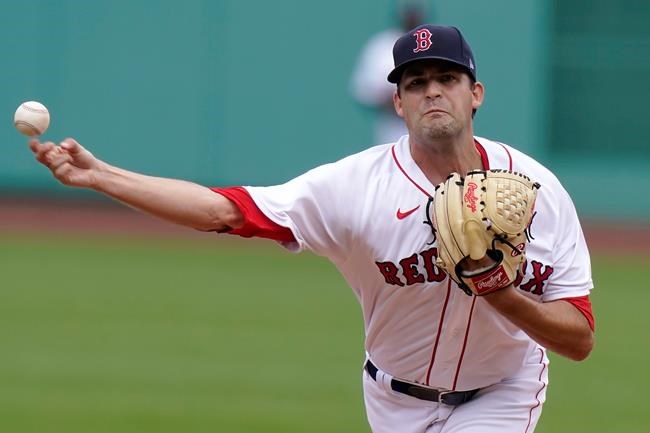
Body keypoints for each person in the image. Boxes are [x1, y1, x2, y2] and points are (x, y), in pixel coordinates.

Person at [29, 24, 594, 433]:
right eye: (415, 82)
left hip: (503, 391)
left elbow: (579, 338)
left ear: (476, 94)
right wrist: (103, 177)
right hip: (393, 398)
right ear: (397, 103)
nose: (432, 91)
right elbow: (227, 211)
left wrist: (502, 294)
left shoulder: (537, 192)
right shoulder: (354, 188)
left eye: (447, 77)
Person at [350, 4, 424, 144]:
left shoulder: (436, 44)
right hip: (392, 133)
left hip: (433, 134)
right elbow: (362, 91)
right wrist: (403, 100)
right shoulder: (382, 46)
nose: (412, 17)